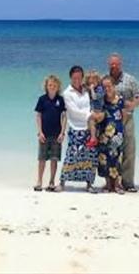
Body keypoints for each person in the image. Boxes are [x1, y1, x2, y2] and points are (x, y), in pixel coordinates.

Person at [107, 53, 139, 193]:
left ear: (120, 64)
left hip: (127, 118)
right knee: (112, 151)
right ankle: (112, 182)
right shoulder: (106, 80)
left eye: (116, 64)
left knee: (129, 151)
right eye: (112, 64)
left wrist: (132, 105)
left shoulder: (130, 79)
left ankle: (128, 182)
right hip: (110, 121)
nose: (114, 66)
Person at [58, 65, 99, 193]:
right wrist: (90, 115)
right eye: (74, 78)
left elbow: (93, 103)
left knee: (89, 157)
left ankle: (89, 184)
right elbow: (73, 111)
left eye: (79, 77)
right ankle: (62, 182)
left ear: (82, 78)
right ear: (70, 77)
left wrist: (95, 115)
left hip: (89, 127)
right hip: (75, 127)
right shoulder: (67, 93)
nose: (77, 80)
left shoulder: (86, 90)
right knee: (71, 155)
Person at [33, 75, 66, 192]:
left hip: (56, 135)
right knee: (41, 159)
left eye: (54, 85)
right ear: (46, 86)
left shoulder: (60, 100)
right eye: (50, 85)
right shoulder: (42, 99)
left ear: (58, 87)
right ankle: (39, 181)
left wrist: (62, 133)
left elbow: (63, 117)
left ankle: (51, 181)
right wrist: (40, 132)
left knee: (54, 159)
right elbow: (38, 116)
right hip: (44, 134)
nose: (52, 87)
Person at [97, 76, 126, 194]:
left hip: (117, 134)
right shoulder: (101, 101)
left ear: (114, 86)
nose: (107, 88)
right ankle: (108, 184)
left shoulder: (120, 100)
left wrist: (119, 131)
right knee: (104, 159)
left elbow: (124, 117)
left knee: (117, 158)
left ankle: (117, 185)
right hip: (104, 134)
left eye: (109, 86)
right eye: (104, 87)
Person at [85, 70, 105, 149]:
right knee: (91, 123)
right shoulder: (90, 89)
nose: (92, 82)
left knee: (91, 120)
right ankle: (93, 138)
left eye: (94, 79)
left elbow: (95, 97)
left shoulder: (100, 89)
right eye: (90, 80)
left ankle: (93, 138)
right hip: (93, 110)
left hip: (98, 110)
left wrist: (92, 89)